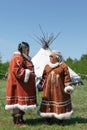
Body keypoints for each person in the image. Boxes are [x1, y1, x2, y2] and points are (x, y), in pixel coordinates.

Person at [37, 50, 74, 125]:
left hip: (59, 89)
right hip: (48, 89)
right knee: (48, 101)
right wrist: (41, 84)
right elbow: (44, 76)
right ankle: (48, 118)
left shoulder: (63, 66)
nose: (50, 58)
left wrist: (68, 86)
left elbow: (67, 77)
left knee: (60, 100)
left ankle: (61, 119)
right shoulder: (47, 66)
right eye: (49, 56)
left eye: (52, 56)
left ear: (57, 57)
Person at [5, 41, 37, 126]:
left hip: (22, 85)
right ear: (22, 49)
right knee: (17, 103)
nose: (28, 50)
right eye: (26, 49)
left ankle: (21, 119)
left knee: (20, 104)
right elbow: (17, 71)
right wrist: (28, 73)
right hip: (17, 85)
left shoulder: (23, 57)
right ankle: (17, 121)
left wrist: (31, 74)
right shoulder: (17, 57)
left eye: (28, 49)